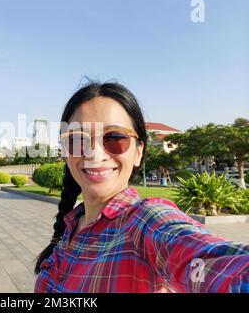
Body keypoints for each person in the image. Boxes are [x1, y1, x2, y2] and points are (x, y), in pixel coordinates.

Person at [34, 81, 249, 293]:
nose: (94, 154)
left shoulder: (145, 222)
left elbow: (210, 259)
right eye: (78, 139)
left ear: (138, 152)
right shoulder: (71, 224)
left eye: (115, 138)